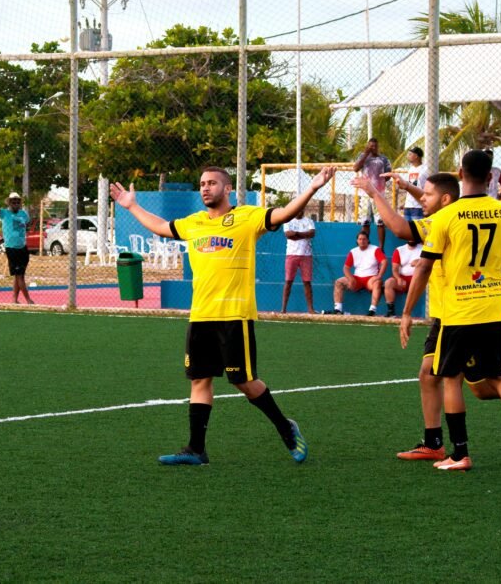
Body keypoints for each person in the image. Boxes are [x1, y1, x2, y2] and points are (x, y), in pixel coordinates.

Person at [110, 165, 336, 466]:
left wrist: (312, 188)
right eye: (202, 183)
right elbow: (162, 227)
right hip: (201, 315)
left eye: (212, 183)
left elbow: (282, 214)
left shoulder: (247, 217)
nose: (205, 188)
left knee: (243, 382)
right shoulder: (195, 223)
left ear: (227, 188)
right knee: (200, 380)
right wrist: (132, 206)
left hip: (234, 315)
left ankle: (286, 427)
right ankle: (196, 450)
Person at [355, 170, 501, 466]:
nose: (422, 199)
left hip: (455, 314)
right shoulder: (474, 213)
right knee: (466, 382)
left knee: (460, 380)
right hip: (470, 310)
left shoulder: (443, 221)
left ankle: (455, 450)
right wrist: (411, 188)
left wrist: (374, 192)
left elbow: (401, 228)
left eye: (427, 195)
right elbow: (440, 202)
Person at [401, 149, 501, 472]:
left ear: (461, 174)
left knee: (450, 378)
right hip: (495, 308)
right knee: (494, 376)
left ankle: (459, 453)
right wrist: (493, 272)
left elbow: (424, 266)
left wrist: (407, 312)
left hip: (459, 311)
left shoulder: (447, 216)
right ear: (491, 176)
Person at [0, 181, 34, 305]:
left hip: (23, 248)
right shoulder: (4, 213)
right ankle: (28, 300)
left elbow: (27, 226)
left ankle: (14, 299)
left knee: (19, 275)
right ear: (9, 203)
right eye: (13, 202)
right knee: (19, 276)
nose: (16, 204)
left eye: (18, 202)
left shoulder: (23, 214)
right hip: (12, 249)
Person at [329, 231, 387, 316]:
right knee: (339, 282)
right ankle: (338, 309)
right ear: (357, 241)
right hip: (356, 279)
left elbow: (384, 262)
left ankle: (372, 310)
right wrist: (350, 278)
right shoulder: (353, 251)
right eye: (360, 239)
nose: (362, 241)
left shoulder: (375, 249)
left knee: (377, 283)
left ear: (368, 240)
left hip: (371, 278)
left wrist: (379, 276)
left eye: (364, 239)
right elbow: (346, 267)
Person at [354, 137, 392, 249]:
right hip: (365, 194)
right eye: (370, 146)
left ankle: (381, 247)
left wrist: (379, 182)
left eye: (375, 146)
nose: (372, 148)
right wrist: (366, 154)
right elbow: (355, 168)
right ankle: (364, 245)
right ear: (367, 146)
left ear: (378, 146)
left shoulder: (384, 159)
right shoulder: (362, 157)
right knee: (365, 222)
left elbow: (388, 174)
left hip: (379, 194)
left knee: (380, 221)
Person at [280, 208, 314, 314]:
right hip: (291, 255)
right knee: (288, 281)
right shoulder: (288, 221)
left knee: (307, 282)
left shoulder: (309, 221)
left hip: (306, 255)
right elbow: (288, 235)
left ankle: (310, 309)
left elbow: (312, 233)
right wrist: (304, 234)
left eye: (302, 209)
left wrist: (296, 234)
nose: (300, 211)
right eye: (298, 209)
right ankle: (283, 309)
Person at [383, 240, 421, 317]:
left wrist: (420, 261)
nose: (411, 239)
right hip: (403, 279)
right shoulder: (399, 250)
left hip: (419, 279)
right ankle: (391, 311)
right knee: (388, 282)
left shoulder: (423, 249)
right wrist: (398, 278)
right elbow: (395, 268)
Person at [401, 146, 428, 221]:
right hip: (408, 206)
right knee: (408, 230)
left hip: (419, 206)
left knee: (417, 230)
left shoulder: (426, 169)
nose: (408, 156)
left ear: (416, 156)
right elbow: (411, 186)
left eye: (410, 154)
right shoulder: (411, 169)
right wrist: (405, 203)